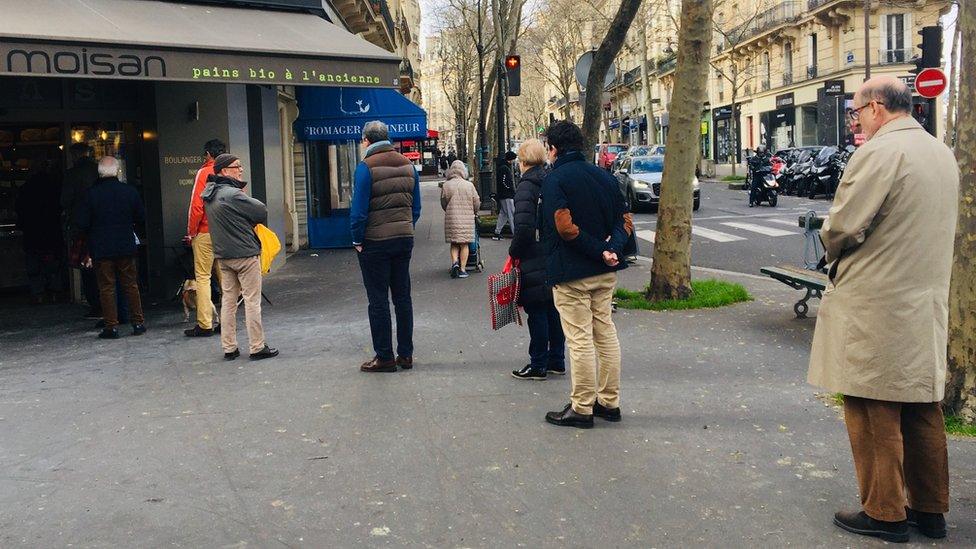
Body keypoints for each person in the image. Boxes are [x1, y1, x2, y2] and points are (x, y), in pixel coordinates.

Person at [807, 76, 958, 543]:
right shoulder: (940, 152)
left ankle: (884, 511)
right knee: (921, 405)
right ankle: (930, 511)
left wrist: (830, 241)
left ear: (876, 108)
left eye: (856, 112)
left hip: (876, 300)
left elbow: (844, 226)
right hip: (924, 299)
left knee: (872, 403)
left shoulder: (879, 153)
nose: (856, 121)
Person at [539, 120, 631, 428]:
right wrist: (612, 250)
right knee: (605, 334)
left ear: (553, 148)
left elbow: (564, 228)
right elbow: (624, 221)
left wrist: (597, 250)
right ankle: (609, 401)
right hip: (604, 272)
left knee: (579, 339)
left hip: (571, 272)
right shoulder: (605, 177)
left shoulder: (555, 180)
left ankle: (581, 407)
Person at [351, 120, 422, 373]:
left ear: (366, 141)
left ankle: (384, 356)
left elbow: (358, 211)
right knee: (403, 297)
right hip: (403, 239)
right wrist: (405, 225)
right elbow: (416, 207)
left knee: (378, 300)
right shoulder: (408, 165)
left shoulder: (365, 167)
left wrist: (357, 239)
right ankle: (406, 354)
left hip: (375, 242)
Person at [201, 153, 278, 361]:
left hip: (223, 255)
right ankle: (256, 346)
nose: (241, 169)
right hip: (245, 254)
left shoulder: (209, 194)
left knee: (228, 301)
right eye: (237, 166)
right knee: (252, 301)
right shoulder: (233, 194)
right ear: (225, 171)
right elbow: (261, 210)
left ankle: (229, 347)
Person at [509, 139, 565, 380]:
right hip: (553, 252)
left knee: (537, 310)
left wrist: (514, 253)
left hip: (533, 254)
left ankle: (538, 363)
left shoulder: (526, 186)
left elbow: (523, 227)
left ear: (522, 161)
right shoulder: (551, 179)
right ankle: (557, 359)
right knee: (553, 309)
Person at [74, 157, 146, 339]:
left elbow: (82, 222)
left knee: (106, 287)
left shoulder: (91, 194)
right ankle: (138, 323)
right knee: (131, 284)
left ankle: (111, 326)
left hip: (101, 247)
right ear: (117, 171)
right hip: (125, 244)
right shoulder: (129, 191)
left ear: (99, 173)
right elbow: (141, 216)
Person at [184, 138, 226, 337]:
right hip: (225, 232)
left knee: (202, 277)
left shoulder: (204, 172)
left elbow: (197, 206)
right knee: (226, 278)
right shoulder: (230, 170)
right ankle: (226, 321)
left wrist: (191, 232)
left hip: (205, 231)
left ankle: (205, 323)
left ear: (208, 154)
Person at [16, 163, 64, 304]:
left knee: (34, 265)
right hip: (52, 232)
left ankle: (38, 294)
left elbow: (19, 210)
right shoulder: (54, 187)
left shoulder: (25, 189)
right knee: (53, 265)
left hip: (32, 233)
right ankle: (55, 292)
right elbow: (61, 206)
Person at [61, 144, 100, 317]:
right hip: (102, 224)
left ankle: (95, 305)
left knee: (87, 267)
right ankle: (108, 305)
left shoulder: (72, 174)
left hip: (83, 226)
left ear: (75, 155)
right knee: (106, 267)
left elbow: (64, 200)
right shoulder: (100, 170)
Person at [440, 160, 480, 279]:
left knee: (454, 243)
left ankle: (454, 264)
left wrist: (449, 210)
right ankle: (462, 269)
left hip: (451, 217)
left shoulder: (446, 185)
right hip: (466, 218)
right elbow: (476, 201)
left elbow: (443, 202)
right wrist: (475, 212)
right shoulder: (469, 185)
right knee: (464, 244)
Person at [492, 151, 517, 240]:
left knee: (504, 214)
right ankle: (515, 233)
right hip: (507, 195)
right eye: (513, 159)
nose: (514, 161)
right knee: (511, 213)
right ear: (511, 159)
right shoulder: (505, 168)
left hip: (503, 194)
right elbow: (505, 182)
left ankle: (497, 232)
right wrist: (510, 189)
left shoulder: (502, 167)